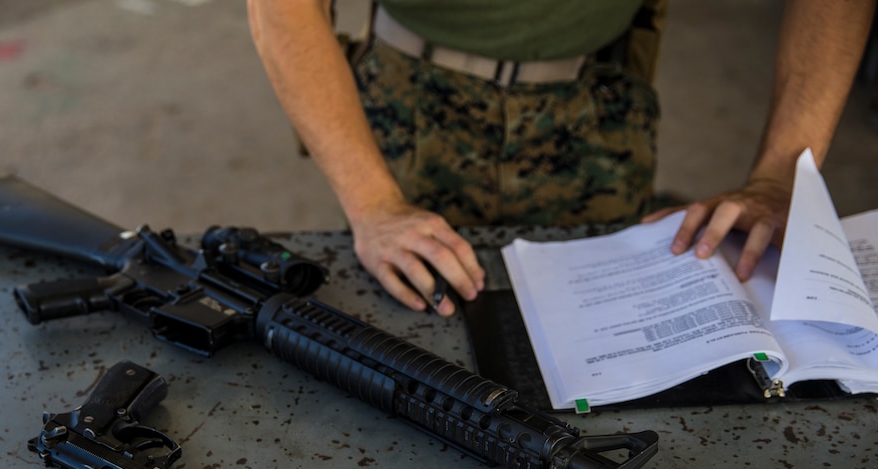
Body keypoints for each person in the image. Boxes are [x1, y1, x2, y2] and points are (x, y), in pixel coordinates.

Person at [248, 0, 877, 317]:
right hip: (411, 102)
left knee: (608, 345)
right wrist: (374, 203)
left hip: (598, 104)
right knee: (418, 341)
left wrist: (781, 173)